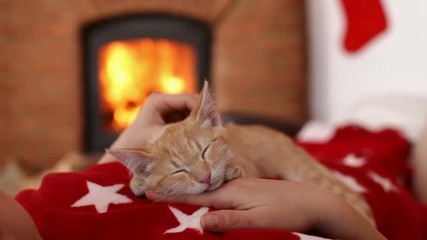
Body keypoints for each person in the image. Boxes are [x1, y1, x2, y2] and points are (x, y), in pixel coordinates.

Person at [0, 92, 386, 240]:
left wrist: (117, 154)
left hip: (291, 157)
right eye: (186, 172)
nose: (203, 176)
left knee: (350, 162)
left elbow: (79, 190)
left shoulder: (34, 204)